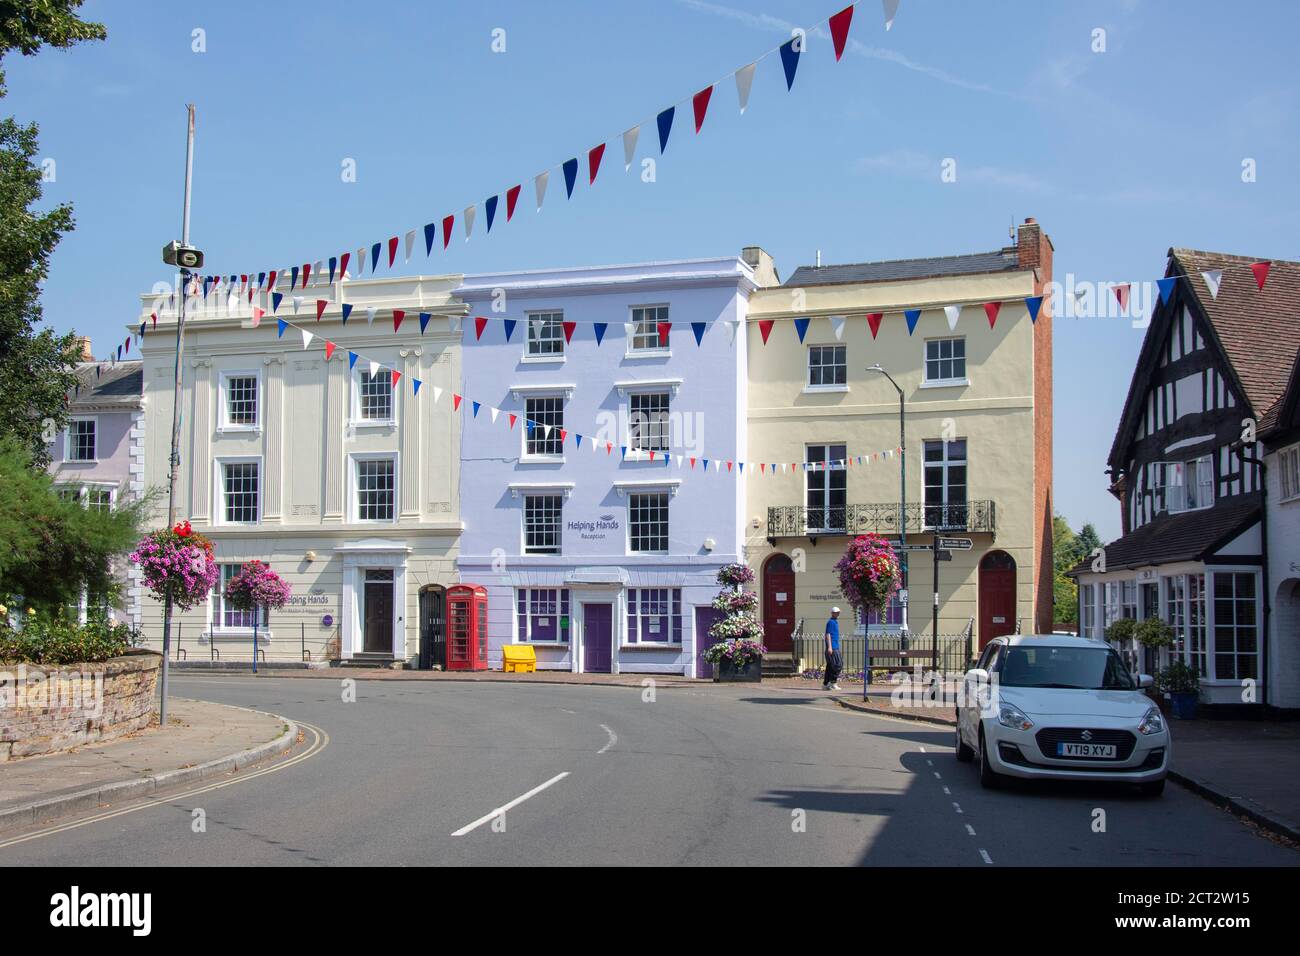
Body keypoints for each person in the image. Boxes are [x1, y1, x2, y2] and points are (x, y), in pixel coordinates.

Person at [823, 607, 843, 691]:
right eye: (836, 612)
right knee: (838, 664)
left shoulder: (835, 622)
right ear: (832, 613)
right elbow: (828, 635)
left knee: (830, 666)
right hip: (833, 647)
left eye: (838, 612)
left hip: (835, 646)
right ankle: (833, 682)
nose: (838, 614)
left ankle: (825, 684)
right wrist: (830, 647)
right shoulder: (831, 622)